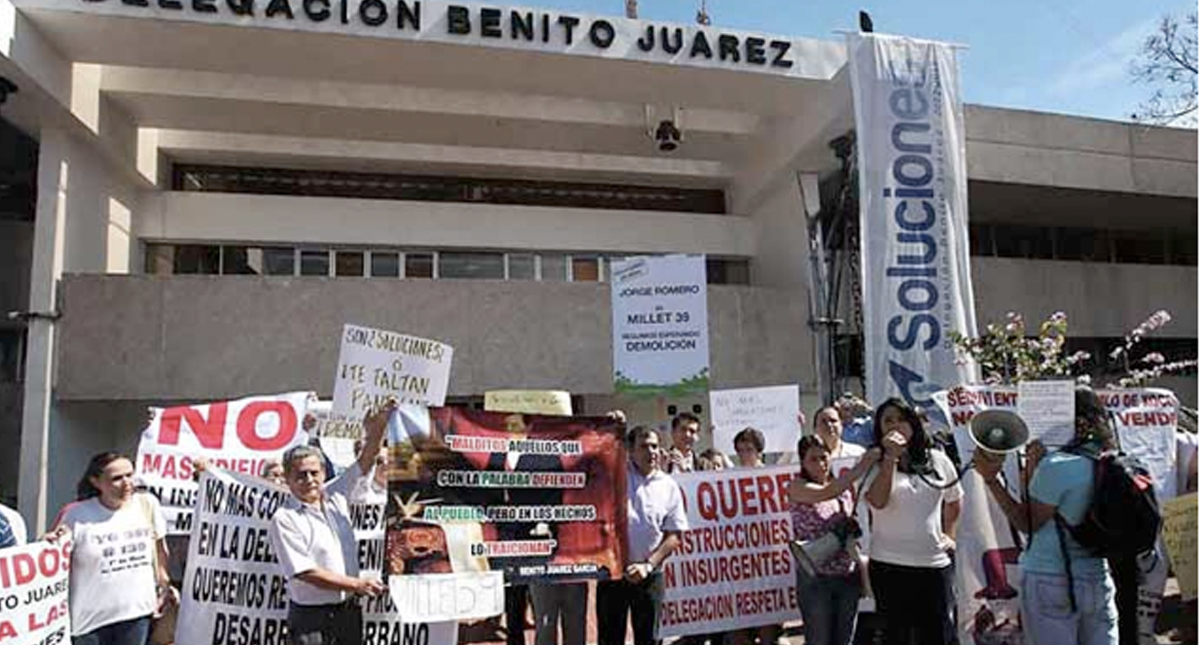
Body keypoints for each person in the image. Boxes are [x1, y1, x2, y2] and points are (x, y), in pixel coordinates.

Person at [974, 387, 1119, 645]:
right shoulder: (1111, 460)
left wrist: (991, 480)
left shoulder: (1057, 467)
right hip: (1097, 576)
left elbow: (1027, 523)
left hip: (1051, 578)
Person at [269, 402, 392, 645]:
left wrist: (379, 427)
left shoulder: (336, 495)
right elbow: (306, 572)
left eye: (314, 473)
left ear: (324, 474)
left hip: (347, 614)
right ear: (288, 479)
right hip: (311, 619)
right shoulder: (284, 518)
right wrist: (358, 584)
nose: (309, 480)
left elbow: (366, 460)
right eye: (300, 475)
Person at [864, 398, 963, 645]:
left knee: (937, 634)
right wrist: (890, 459)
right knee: (896, 636)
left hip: (934, 564)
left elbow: (955, 500)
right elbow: (877, 501)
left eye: (901, 419)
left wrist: (950, 535)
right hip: (889, 565)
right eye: (888, 421)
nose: (895, 426)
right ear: (879, 428)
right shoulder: (871, 462)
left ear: (913, 424)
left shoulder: (938, 460)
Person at [50, 452, 174, 645]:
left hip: (136, 615)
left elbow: (159, 549)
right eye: (117, 478)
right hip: (89, 621)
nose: (127, 483)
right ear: (95, 482)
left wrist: (163, 584)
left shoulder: (147, 504)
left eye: (129, 475)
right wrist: (47, 543)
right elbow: (54, 557)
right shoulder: (76, 514)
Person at [597, 426, 688, 645]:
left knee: (649, 639)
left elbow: (674, 535)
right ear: (629, 450)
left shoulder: (669, 486)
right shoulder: (614, 478)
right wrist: (612, 425)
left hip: (650, 576)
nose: (651, 452)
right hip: (613, 574)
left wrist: (648, 566)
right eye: (644, 446)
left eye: (655, 446)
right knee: (610, 638)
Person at [788, 436, 880, 645]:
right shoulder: (796, 486)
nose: (821, 464)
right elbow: (826, 492)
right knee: (819, 639)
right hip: (816, 579)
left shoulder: (844, 489)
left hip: (847, 576)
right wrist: (864, 464)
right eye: (813, 459)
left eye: (824, 457)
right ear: (802, 462)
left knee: (844, 639)